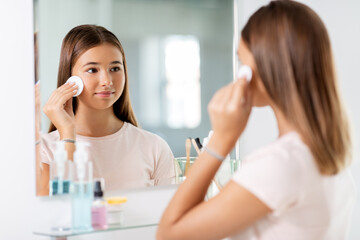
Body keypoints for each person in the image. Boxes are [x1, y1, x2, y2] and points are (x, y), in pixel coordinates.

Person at [157, 1, 355, 240]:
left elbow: (169, 233)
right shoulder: (326, 155)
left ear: (264, 67)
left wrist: (222, 139)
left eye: (242, 61)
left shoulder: (279, 163)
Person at [39, 25, 175, 194]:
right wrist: (67, 134)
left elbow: (169, 215)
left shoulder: (154, 147)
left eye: (115, 68)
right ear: (70, 79)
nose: (107, 81)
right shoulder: (44, 150)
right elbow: (53, 211)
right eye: (92, 70)